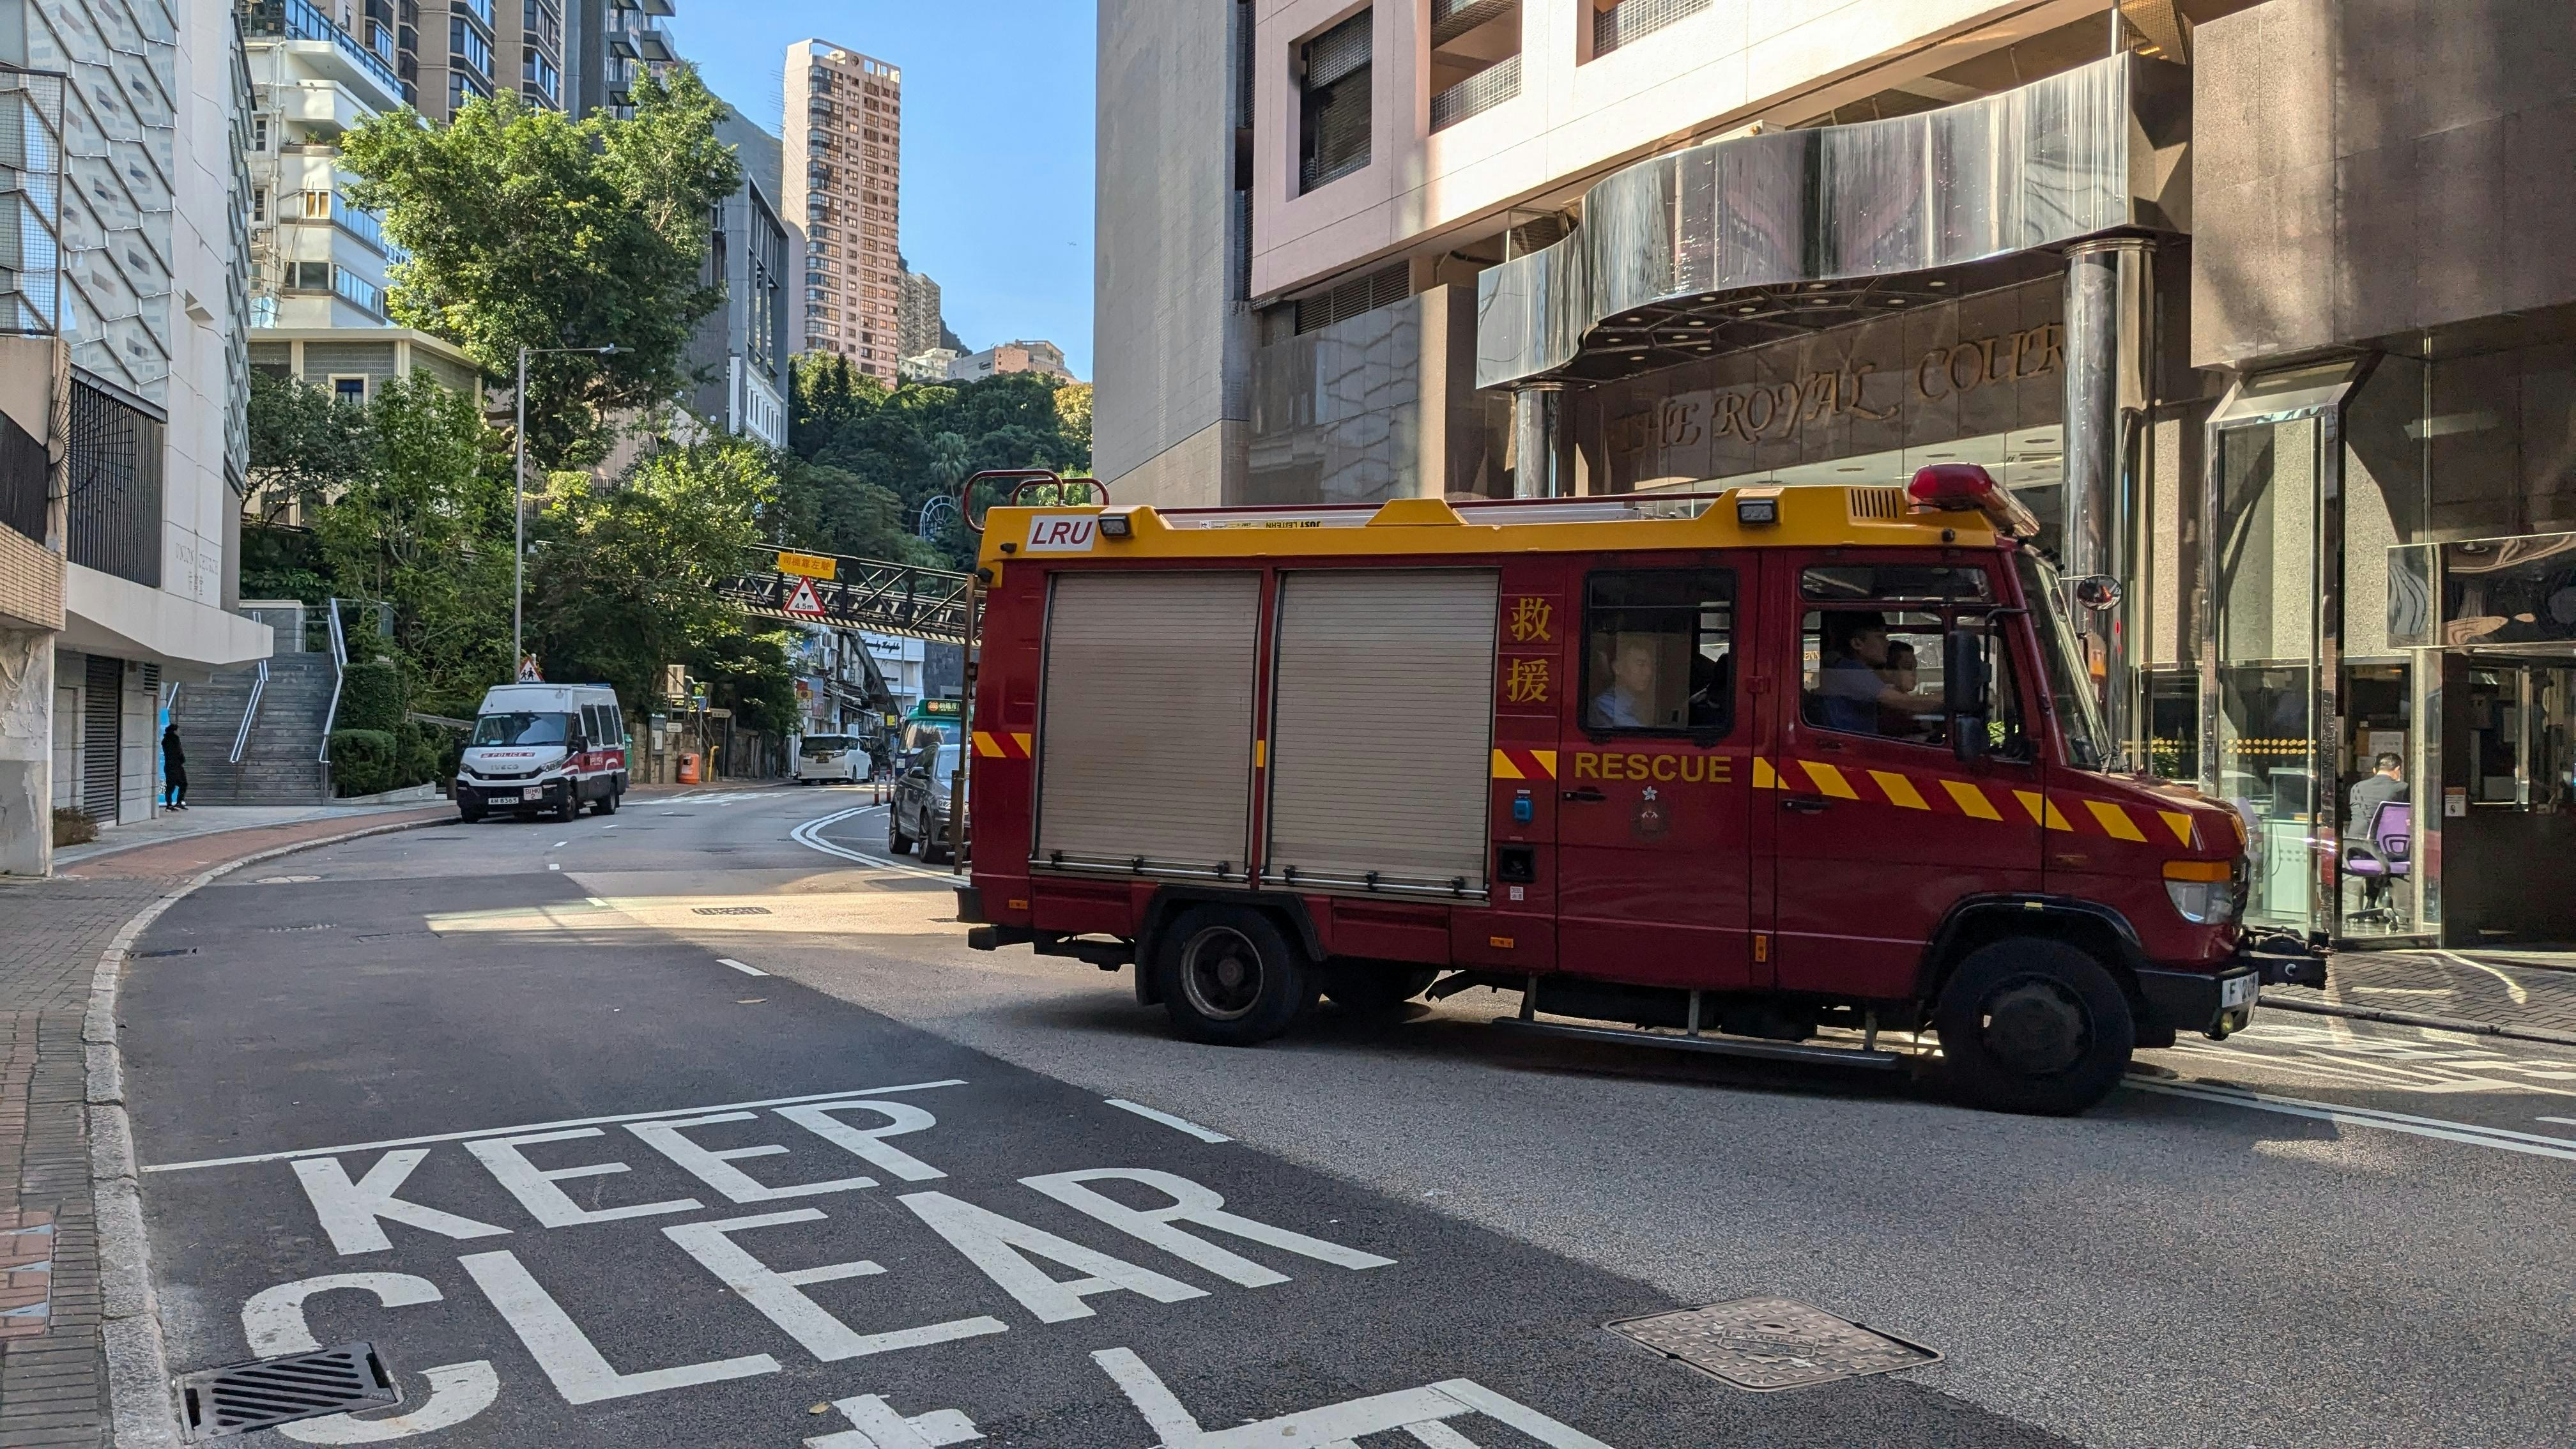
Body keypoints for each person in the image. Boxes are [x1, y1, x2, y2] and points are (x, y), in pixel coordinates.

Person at [1814, 611, 1941, 736]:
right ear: (1857, 644)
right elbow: (1909, 703)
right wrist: (1950, 697)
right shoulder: (1851, 672)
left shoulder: (1846, 669)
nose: (1887, 643)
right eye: (1880, 637)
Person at [1590, 635, 1660, 728]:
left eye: (1650, 666)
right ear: (1618, 668)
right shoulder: (1606, 705)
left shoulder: (1642, 703)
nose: (1649, 672)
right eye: (1641, 664)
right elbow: (1638, 733)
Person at [2350, 751, 2404, 828]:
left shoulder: (2356, 787)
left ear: (2374, 771)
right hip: (2384, 835)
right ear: (2397, 770)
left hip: (2355, 835)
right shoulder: (2403, 788)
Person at [161, 723, 188, 811]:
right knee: (181, 784)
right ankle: (176, 803)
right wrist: (182, 759)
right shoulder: (174, 739)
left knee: (172, 785)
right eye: (178, 730)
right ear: (174, 731)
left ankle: (170, 804)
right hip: (175, 766)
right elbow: (178, 752)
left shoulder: (166, 740)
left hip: (170, 766)